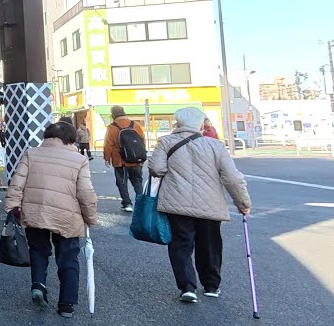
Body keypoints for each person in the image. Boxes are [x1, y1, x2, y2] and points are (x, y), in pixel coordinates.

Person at [148, 107, 250, 304]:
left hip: (177, 202)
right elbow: (232, 178)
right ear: (201, 124)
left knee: (181, 243)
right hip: (210, 204)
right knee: (210, 243)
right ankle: (211, 285)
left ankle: (187, 286)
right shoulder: (216, 146)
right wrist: (243, 203)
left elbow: (157, 169)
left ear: (177, 123)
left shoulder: (166, 142)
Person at [4, 121, 98, 318]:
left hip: (35, 211)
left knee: (38, 250)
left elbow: (17, 183)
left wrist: (13, 207)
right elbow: (85, 193)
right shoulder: (78, 159)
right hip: (67, 216)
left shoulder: (32, 153)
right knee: (68, 258)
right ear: (72, 138)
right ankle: (66, 304)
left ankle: (38, 285)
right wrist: (90, 217)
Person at [103, 105, 145, 213]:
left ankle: (127, 204)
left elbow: (108, 144)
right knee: (137, 182)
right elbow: (142, 141)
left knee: (122, 182)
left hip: (120, 161)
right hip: (136, 160)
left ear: (113, 114)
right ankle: (142, 205)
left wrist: (107, 158)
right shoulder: (136, 125)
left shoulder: (112, 127)